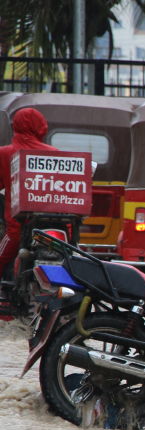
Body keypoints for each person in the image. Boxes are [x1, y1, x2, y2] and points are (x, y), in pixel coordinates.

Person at [0, 108, 58, 293]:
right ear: (42, 126)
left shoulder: (4, 153)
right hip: (52, 227)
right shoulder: (54, 153)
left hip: (17, 227)